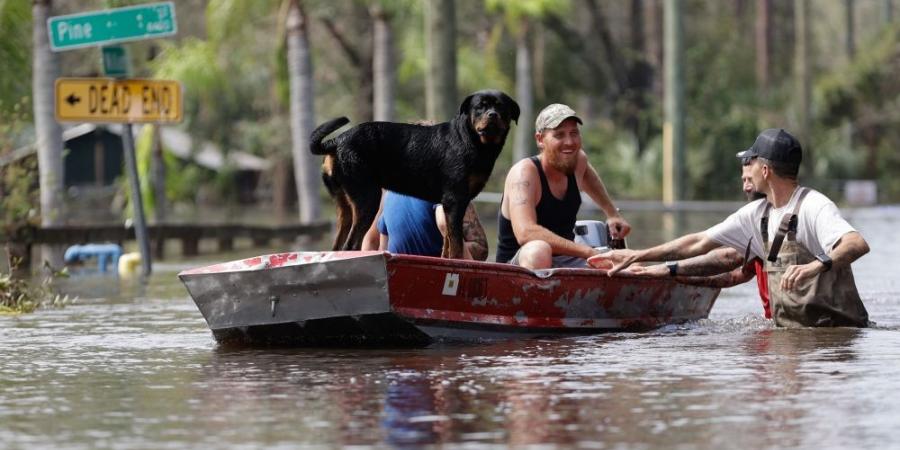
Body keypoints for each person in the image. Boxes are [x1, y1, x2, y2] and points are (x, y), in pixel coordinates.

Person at [589, 128, 870, 327]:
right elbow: (698, 243)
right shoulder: (756, 214)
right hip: (792, 335)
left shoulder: (814, 205)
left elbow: (856, 243)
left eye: (753, 162)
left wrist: (815, 266)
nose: (746, 172)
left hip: (835, 339)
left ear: (765, 170)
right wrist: (638, 255)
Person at [622, 157, 774, 318]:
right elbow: (733, 276)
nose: (746, 187)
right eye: (743, 180)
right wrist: (673, 276)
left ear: (765, 173)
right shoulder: (755, 219)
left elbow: (727, 256)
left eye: (750, 179)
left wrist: (660, 268)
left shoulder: (780, 218)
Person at [495, 103, 631, 269]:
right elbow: (526, 233)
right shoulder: (524, 174)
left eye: (574, 133)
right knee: (539, 250)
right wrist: (588, 252)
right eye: (559, 135)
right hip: (519, 265)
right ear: (540, 139)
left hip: (566, 260)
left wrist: (611, 213)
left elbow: (588, 176)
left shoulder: (578, 160)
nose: (569, 142)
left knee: (624, 264)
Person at [362, 190, 488, 261]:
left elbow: (377, 245)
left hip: (399, 279)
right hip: (430, 278)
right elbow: (443, 223)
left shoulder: (389, 192)